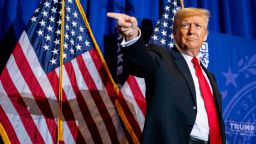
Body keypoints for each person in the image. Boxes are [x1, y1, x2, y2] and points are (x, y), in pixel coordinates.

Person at [107, 8, 226, 144]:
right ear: (174, 33)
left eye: (198, 26)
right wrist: (132, 36)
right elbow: (141, 63)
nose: (192, 31)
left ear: (205, 35)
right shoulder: (161, 57)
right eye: (185, 25)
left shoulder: (209, 76)